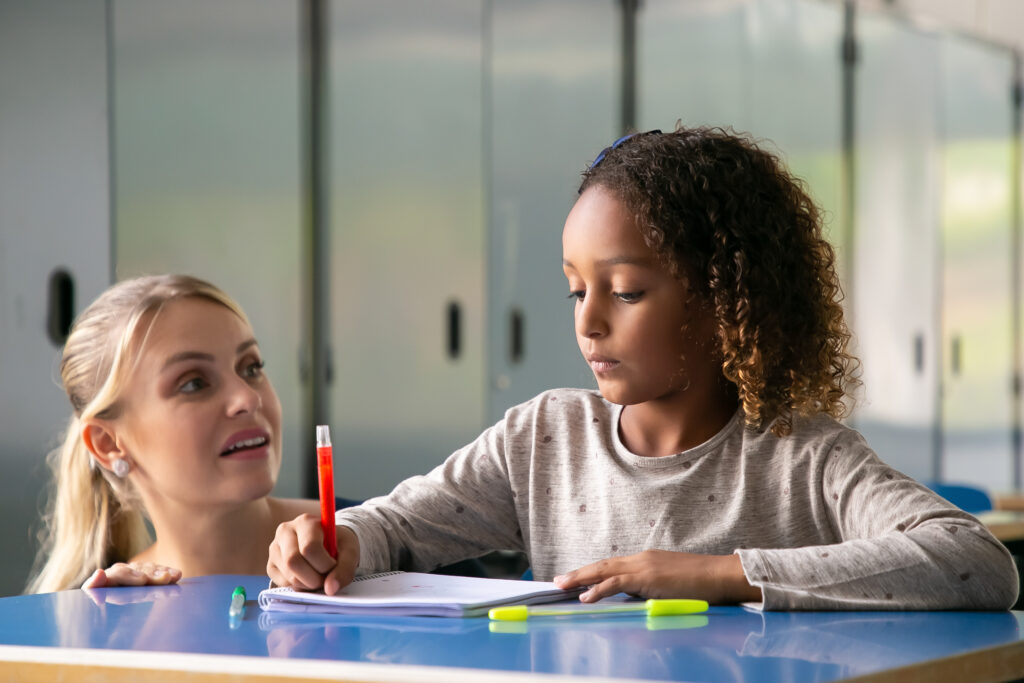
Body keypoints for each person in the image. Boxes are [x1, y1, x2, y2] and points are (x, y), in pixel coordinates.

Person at [267, 125, 1019, 610]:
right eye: (575, 289)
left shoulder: (803, 458)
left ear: (728, 301)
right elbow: (399, 523)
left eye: (625, 291)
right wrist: (343, 539)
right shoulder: (545, 438)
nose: (587, 322)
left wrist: (719, 574)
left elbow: (977, 564)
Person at [27, 274, 320, 593]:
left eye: (250, 367)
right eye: (193, 383)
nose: (248, 398)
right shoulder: (112, 614)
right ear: (108, 443)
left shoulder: (369, 542)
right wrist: (111, 636)